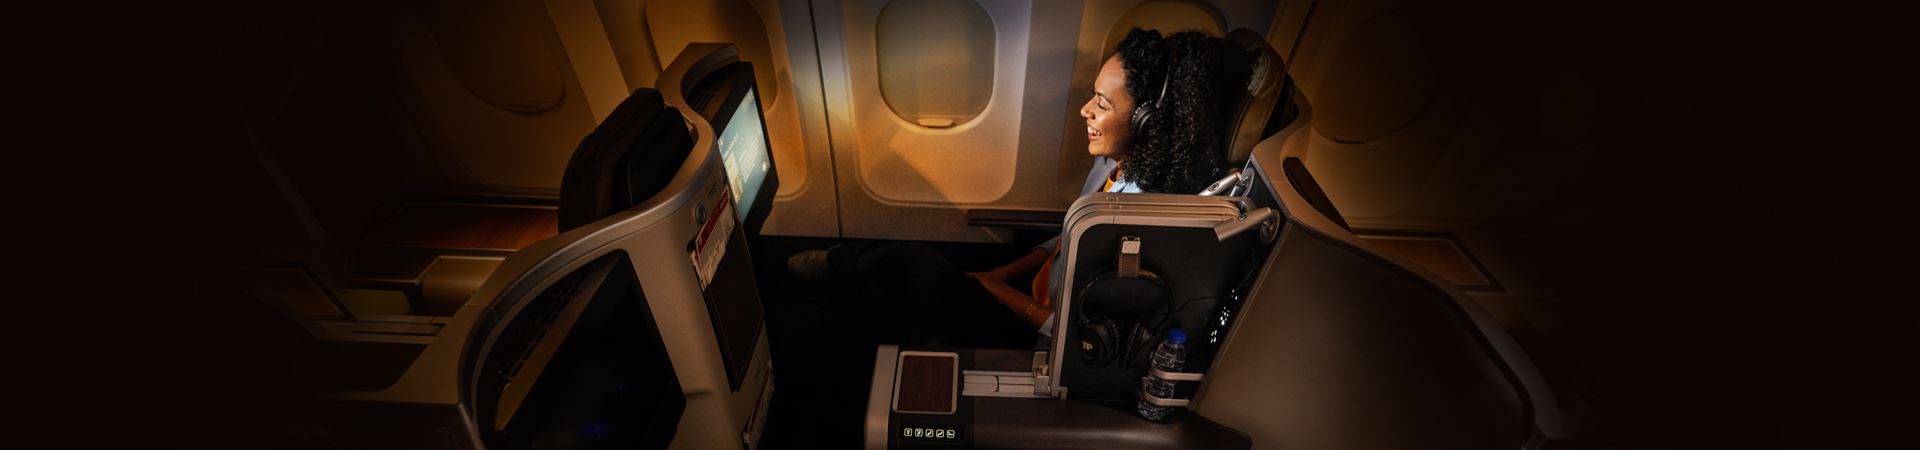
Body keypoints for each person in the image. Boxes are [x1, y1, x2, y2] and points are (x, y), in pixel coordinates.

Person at [789, 28, 1236, 348]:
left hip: (1030, 331)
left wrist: (995, 290)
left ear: (1147, 122)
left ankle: (839, 264)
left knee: (909, 264)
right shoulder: (1112, 166)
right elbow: (1065, 240)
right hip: (1030, 288)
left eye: (1101, 104)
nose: (1085, 110)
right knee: (883, 294)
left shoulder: (1138, 222)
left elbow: (1067, 333)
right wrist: (1000, 274)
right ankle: (843, 287)